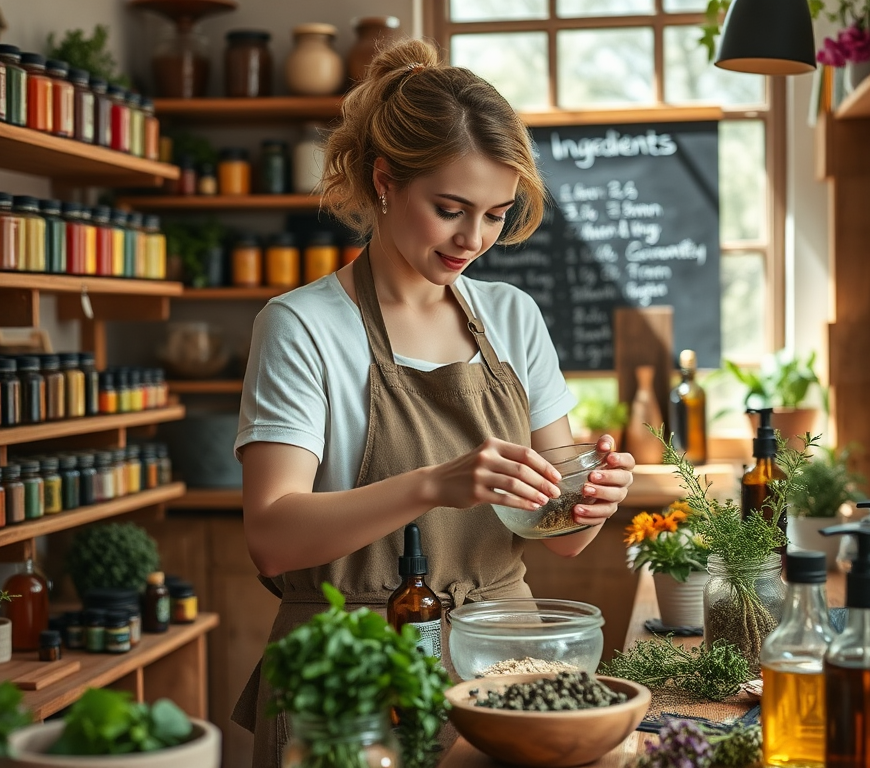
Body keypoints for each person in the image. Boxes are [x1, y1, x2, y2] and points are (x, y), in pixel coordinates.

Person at [231, 38, 636, 765]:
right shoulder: (302, 326)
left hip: (504, 669)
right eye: (451, 209)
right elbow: (272, 534)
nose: (472, 240)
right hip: (351, 670)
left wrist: (588, 501)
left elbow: (560, 536)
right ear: (385, 182)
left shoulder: (513, 318)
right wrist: (435, 484)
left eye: (495, 215)